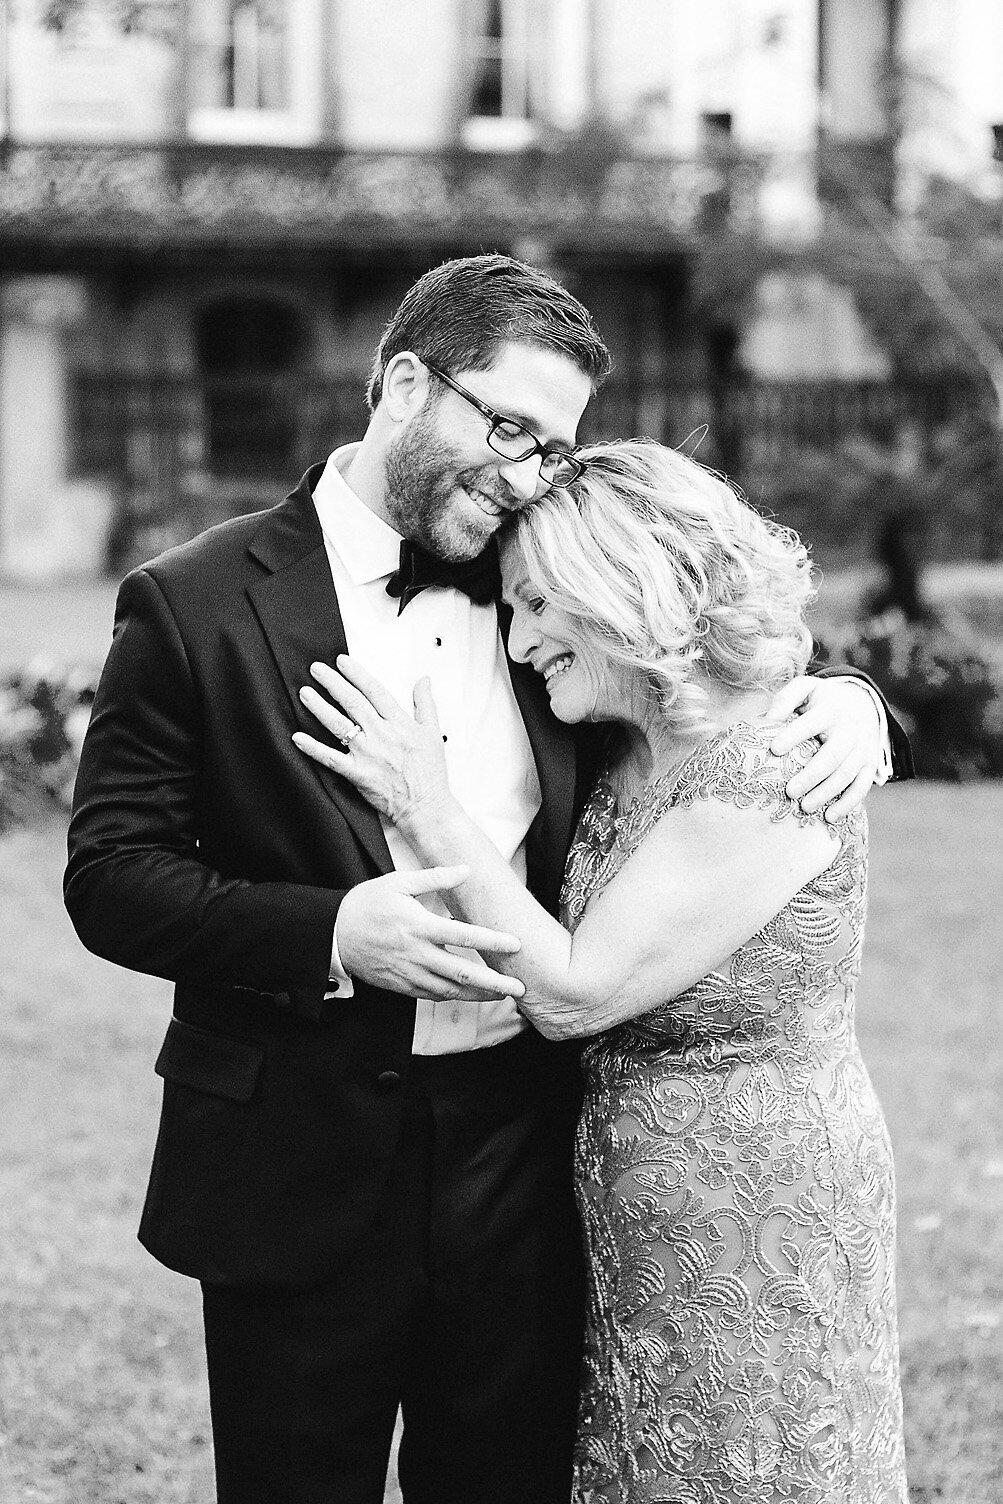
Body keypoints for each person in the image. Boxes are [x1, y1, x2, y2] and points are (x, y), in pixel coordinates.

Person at [64, 255, 910, 1504]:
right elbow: (112, 876)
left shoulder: (540, 580)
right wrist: (332, 930)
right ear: (404, 383)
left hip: (528, 1155)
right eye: (507, 427)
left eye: (550, 450)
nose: (523, 473)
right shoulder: (191, 605)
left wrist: (848, 702)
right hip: (297, 1154)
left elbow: (700, 673)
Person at [294, 438, 909, 1503]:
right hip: (622, 1209)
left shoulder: (773, 768)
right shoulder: (625, 741)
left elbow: (575, 990)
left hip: (759, 1206)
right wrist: (856, 689)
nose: (519, 636)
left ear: (618, 587)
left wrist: (423, 799)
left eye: (538, 603)